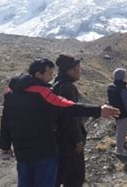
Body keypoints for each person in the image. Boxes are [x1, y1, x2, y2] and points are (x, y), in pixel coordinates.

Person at [0, 58, 119, 187]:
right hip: (44, 154)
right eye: (49, 74)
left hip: (22, 155)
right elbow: (68, 107)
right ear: (38, 75)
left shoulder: (11, 95)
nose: (51, 78)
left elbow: (5, 122)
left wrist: (5, 147)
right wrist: (98, 110)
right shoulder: (43, 94)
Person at [51, 54, 92, 186]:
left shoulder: (55, 84)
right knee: (75, 178)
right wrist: (78, 139)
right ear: (70, 70)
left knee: (60, 176)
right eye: (78, 68)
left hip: (57, 139)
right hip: (69, 141)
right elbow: (70, 114)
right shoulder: (68, 87)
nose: (80, 72)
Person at [107, 68, 127, 157]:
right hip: (122, 112)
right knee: (121, 131)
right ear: (121, 77)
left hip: (114, 111)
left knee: (119, 128)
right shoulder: (121, 88)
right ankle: (120, 150)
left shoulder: (110, 86)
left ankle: (120, 144)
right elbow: (126, 102)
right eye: (124, 75)